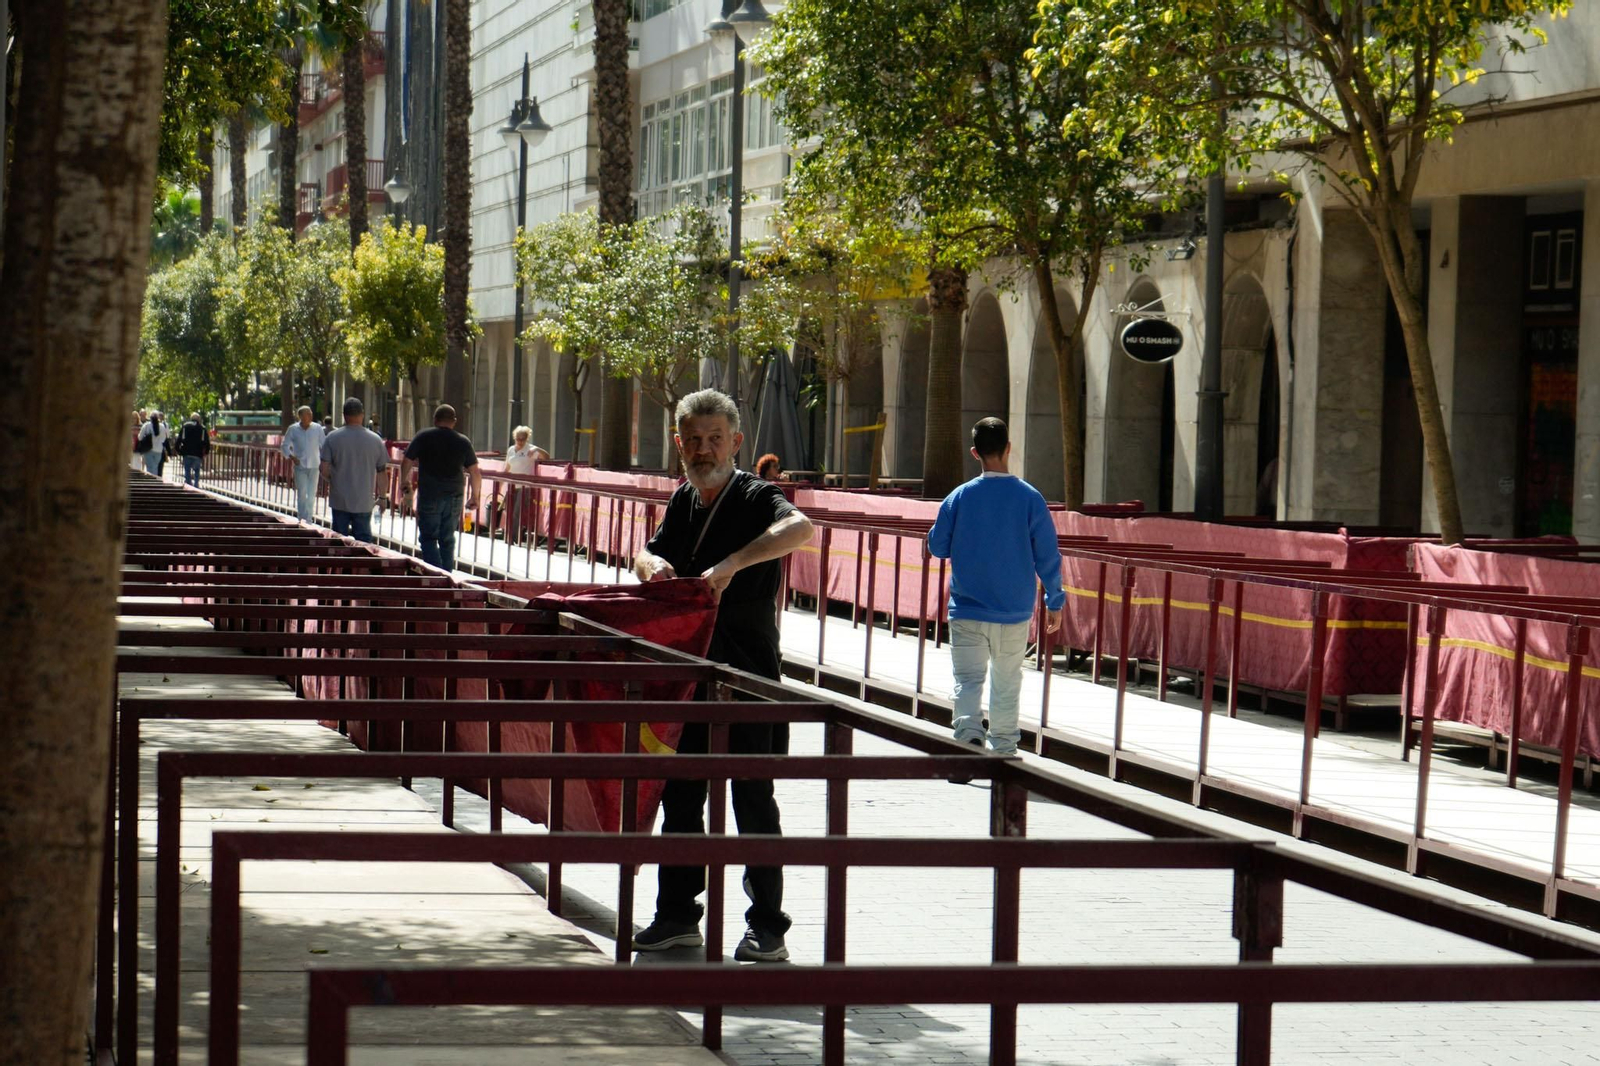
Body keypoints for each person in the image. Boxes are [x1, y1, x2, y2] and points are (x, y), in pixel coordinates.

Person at [630, 388, 816, 963]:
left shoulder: (756, 495)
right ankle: (676, 915)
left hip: (748, 674)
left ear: (736, 442)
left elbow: (801, 529)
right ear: (679, 443)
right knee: (681, 795)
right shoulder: (683, 499)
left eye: (715, 439)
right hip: (686, 673)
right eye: (693, 439)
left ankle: (768, 926)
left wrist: (734, 563)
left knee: (753, 798)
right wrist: (651, 565)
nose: (703, 449)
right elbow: (646, 552)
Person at [926, 417, 1064, 772]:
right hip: (1013, 610)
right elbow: (1048, 554)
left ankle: (967, 737)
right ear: (1008, 448)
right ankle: (1003, 748)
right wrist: (1054, 600)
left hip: (967, 609)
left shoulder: (959, 497)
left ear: (975, 453)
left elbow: (938, 546)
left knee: (967, 681)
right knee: (1007, 680)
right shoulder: (1030, 498)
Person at [400, 404, 481, 572]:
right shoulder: (463, 441)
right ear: (454, 421)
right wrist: (475, 496)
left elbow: (406, 461)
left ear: (435, 420)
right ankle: (447, 575)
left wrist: (404, 482)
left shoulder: (423, 436)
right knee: (447, 539)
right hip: (455, 496)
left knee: (428, 538)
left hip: (430, 494)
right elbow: (475, 471)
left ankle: (436, 575)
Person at [320, 397, 391, 543]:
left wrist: (334, 480)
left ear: (344, 415)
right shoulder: (376, 440)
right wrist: (383, 497)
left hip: (339, 499)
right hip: (364, 500)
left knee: (338, 541)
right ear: (362, 414)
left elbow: (324, 468)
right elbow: (382, 472)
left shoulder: (332, 438)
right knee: (363, 542)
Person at [281, 406, 326, 523]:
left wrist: (325, 460)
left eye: (311, 414)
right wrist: (292, 457)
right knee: (302, 492)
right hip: (300, 465)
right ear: (300, 416)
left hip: (314, 465)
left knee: (311, 494)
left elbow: (324, 444)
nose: (310, 416)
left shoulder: (317, 428)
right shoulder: (293, 429)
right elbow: (284, 445)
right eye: (307, 414)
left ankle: (309, 518)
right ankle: (301, 517)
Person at [175, 412, 210, 488]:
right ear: (199, 419)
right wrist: (206, 452)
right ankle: (196, 484)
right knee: (197, 470)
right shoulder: (203, 428)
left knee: (187, 469)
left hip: (187, 452)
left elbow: (179, 439)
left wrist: (178, 449)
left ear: (191, 418)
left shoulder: (185, 426)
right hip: (198, 453)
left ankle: (188, 484)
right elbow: (207, 442)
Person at [134, 411, 169, 476]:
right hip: (158, 451)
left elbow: (140, 438)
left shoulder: (146, 425)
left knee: (150, 468)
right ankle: (155, 479)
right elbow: (163, 439)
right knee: (155, 467)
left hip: (148, 450)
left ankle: (151, 480)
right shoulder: (162, 426)